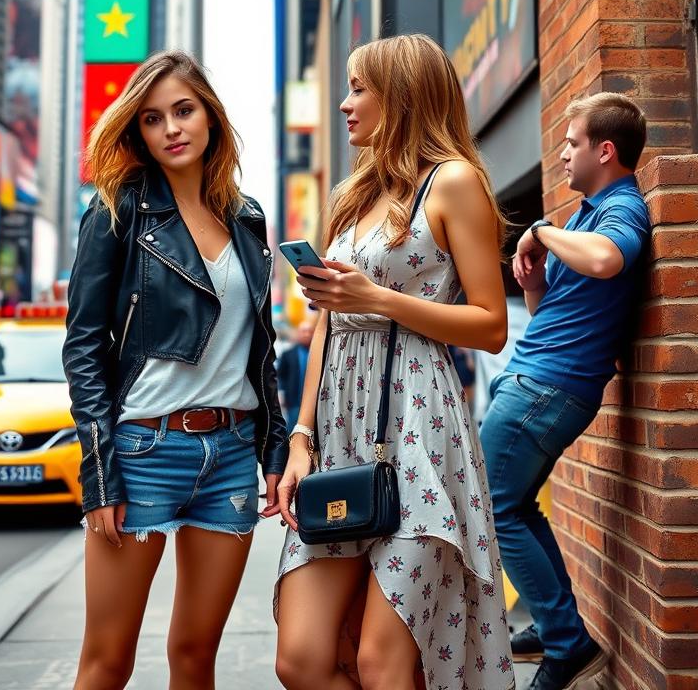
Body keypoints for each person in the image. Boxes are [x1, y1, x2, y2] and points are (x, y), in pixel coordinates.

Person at [275, 34, 514, 690]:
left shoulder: (454, 182)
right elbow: (330, 320)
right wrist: (301, 439)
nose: (347, 104)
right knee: (302, 658)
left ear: (402, 97)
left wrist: (378, 298)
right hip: (339, 429)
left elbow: (491, 325)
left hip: (418, 424)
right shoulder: (356, 194)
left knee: (385, 661)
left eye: (360, 88)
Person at [62, 50, 288, 690]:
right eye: (154, 119)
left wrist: (271, 450)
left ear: (210, 116)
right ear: (139, 132)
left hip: (232, 455)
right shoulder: (116, 213)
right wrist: (100, 473)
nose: (172, 129)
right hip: (141, 452)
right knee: (108, 661)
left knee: (195, 656)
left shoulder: (247, 219)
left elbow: (259, 347)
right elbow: (83, 346)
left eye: (184, 110)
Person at [481, 93, 651, 690]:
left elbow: (607, 261)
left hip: (548, 388)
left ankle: (565, 641)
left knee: (494, 504)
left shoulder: (621, 209)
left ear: (605, 151)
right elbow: (560, 307)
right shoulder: (584, 212)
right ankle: (559, 629)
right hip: (536, 378)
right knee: (515, 504)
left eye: (572, 143)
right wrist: (531, 284)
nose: (562, 153)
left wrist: (541, 233)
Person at [276, 319, 314, 431]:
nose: (307, 334)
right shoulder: (288, 354)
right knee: (292, 430)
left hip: (313, 403)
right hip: (294, 402)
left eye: (309, 331)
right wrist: (282, 394)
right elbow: (281, 376)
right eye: (304, 331)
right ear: (299, 333)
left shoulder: (319, 354)